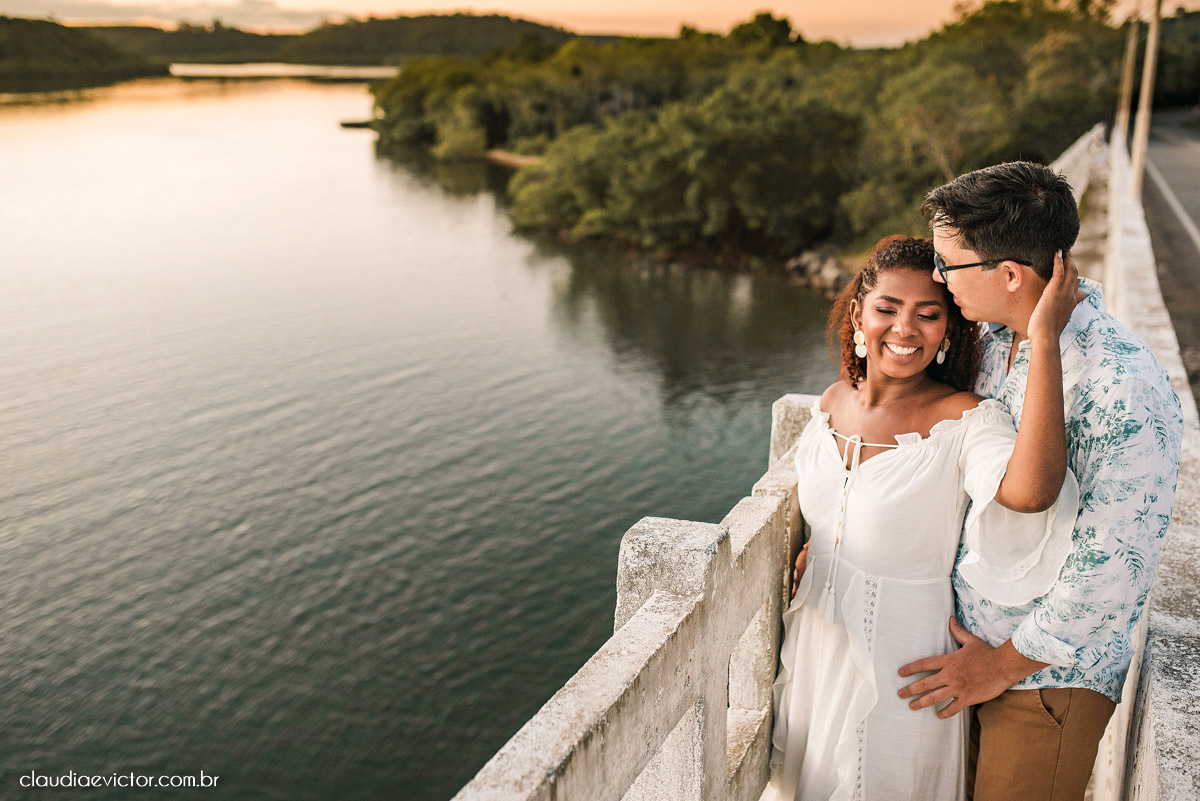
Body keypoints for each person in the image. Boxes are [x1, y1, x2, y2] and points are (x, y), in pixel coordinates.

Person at [895, 161, 1184, 801]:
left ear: (1009, 274)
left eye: (949, 265)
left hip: (1044, 682)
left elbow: (1113, 564)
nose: (940, 279)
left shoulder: (1122, 385)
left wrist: (1000, 665)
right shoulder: (997, 343)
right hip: (967, 654)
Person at [763, 234, 1083, 801]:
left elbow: (1031, 493)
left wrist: (1044, 338)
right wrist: (821, 550)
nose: (905, 329)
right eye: (888, 308)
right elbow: (834, 515)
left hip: (903, 666)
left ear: (947, 331)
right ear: (859, 314)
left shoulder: (961, 419)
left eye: (927, 314)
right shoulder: (834, 400)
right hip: (813, 646)